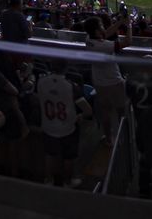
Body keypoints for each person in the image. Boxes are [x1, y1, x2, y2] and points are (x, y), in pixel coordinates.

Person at [36, 59, 91, 187]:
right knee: (69, 157)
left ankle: (48, 180)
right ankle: (68, 181)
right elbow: (88, 110)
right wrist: (80, 116)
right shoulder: (71, 86)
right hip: (68, 128)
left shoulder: (41, 81)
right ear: (66, 68)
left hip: (48, 126)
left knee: (50, 154)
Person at [85, 15, 129, 144]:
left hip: (99, 82)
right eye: (101, 26)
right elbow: (127, 42)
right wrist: (128, 25)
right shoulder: (104, 46)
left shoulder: (89, 39)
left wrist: (120, 21)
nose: (104, 28)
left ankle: (108, 138)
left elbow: (107, 33)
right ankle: (124, 137)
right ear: (97, 30)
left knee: (105, 112)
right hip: (114, 81)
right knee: (121, 111)